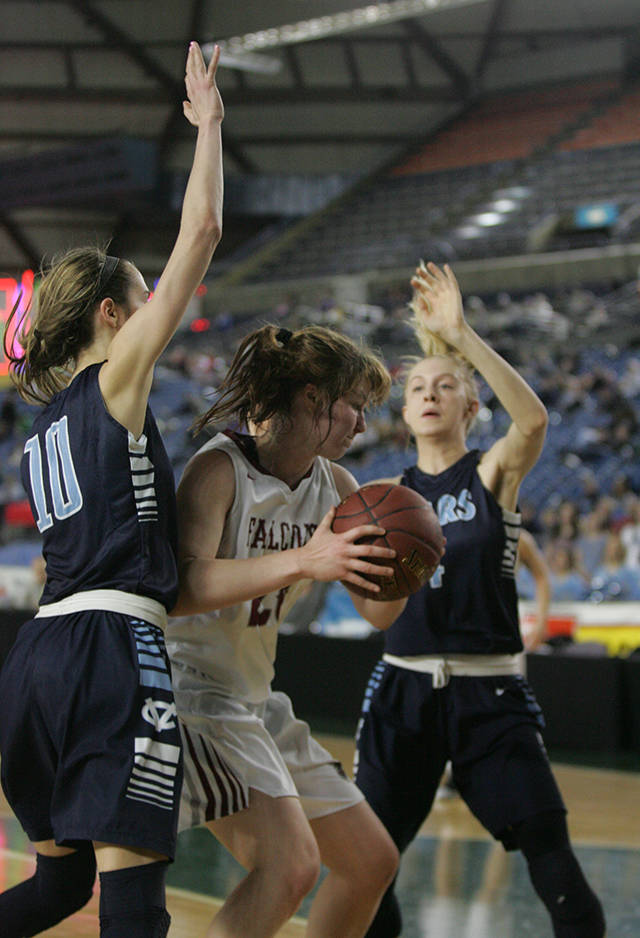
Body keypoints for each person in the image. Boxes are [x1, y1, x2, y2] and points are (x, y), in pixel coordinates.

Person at [0, 40, 224, 938]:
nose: (154, 315)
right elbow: (200, 232)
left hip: (34, 661)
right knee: (132, 907)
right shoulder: (112, 382)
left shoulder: (41, 428)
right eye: (143, 300)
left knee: (57, 891)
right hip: (107, 648)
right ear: (112, 318)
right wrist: (208, 126)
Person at [353, 261, 605, 938]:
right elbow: (374, 614)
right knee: (366, 870)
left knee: (555, 868)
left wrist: (461, 337)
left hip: (488, 698)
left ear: (470, 407)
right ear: (404, 412)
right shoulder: (382, 500)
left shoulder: (492, 472)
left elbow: (532, 420)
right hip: (402, 693)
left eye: (446, 387)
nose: (430, 394)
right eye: (417, 388)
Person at [165, 323, 402, 938]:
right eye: (354, 406)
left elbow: (378, 615)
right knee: (290, 866)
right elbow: (183, 589)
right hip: (187, 693)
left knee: (370, 861)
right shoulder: (218, 470)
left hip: (253, 699)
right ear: (310, 398)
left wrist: (404, 573)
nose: (362, 425)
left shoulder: (337, 488)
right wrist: (304, 560)